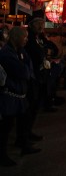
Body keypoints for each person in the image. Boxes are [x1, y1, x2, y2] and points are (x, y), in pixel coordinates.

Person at [0, 27, 41, 167]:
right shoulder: (6, 53)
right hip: (9, 95)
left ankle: (23, 143)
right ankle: (2, 155)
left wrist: (25, 68)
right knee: (6, 127)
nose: (26, 39)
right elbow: (23, 72)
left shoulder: (20, 50)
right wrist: (25, 68)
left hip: (20, 93)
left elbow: (28, 66)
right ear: (16, 37)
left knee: (23, 120)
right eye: (24, 37)